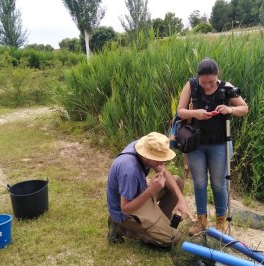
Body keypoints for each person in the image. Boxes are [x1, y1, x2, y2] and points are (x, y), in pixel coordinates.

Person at [177, 58, 248, 235]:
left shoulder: (226, 87)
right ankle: (201, 221)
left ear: (218, 76)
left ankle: (220, 222)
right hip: (196, 144)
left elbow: (244, 108)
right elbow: (180, 111)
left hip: (220, 144)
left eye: (211, 82)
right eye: (204, 82)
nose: (208, 86)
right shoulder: (191, 85)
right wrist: (196, 113)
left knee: (218, 184)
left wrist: (229, 109)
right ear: (198, 78)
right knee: (199, 183)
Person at [106, 132, 193, 248]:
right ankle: (119, 227)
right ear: (147, 156)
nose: (162, 163)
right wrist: (151, 190)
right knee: (172, 239)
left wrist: (181, 200)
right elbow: (125, 209)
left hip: (138, 194)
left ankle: (161, 224)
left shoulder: (143, 147)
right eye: (159, 160)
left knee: (177, 181)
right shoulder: (129, 170)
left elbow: (164, 172)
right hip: (125, 212)